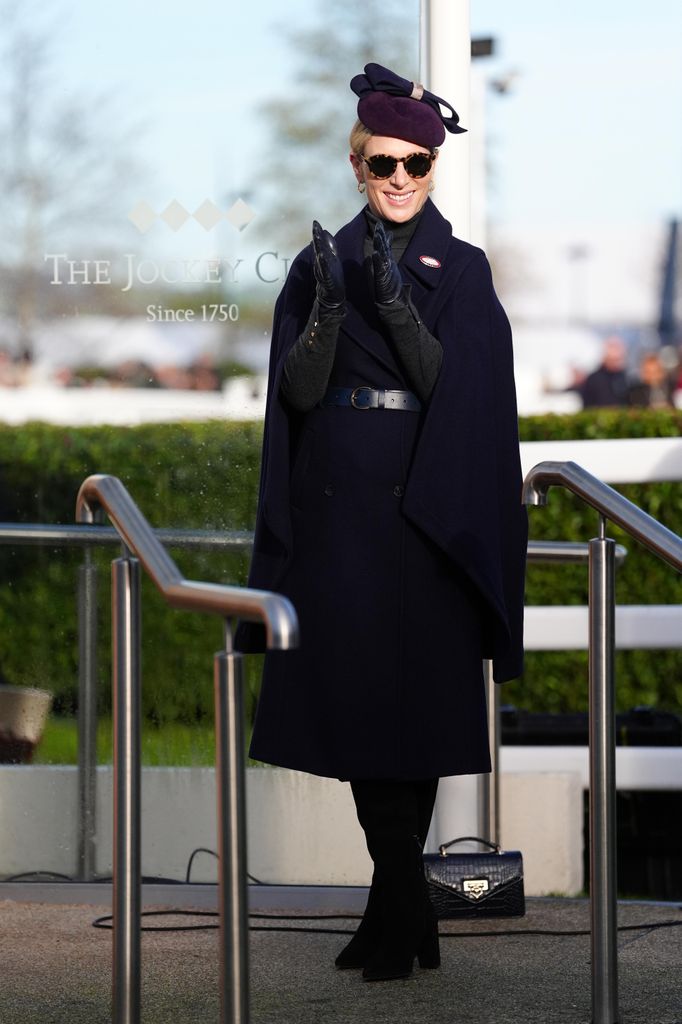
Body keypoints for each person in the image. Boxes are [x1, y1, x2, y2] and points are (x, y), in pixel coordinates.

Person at [236, 63, 527, 982]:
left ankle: (397, 916)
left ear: (433, 167)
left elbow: (464, 394)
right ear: (356, 164)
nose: (400, 178)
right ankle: (406, 909)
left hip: (431, 511)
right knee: (363, 709)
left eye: (417, 163)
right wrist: (327, 312)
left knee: (420, 714)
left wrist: (398, 310)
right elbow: (297, 395)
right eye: (383, 164)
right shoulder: (312, 266)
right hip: (341, 515)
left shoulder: (465, 269)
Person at [578, 335, 629, 408]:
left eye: (618, 359)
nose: (616, 362)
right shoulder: (593, 379)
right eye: (613, 359)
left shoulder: (626, 378)